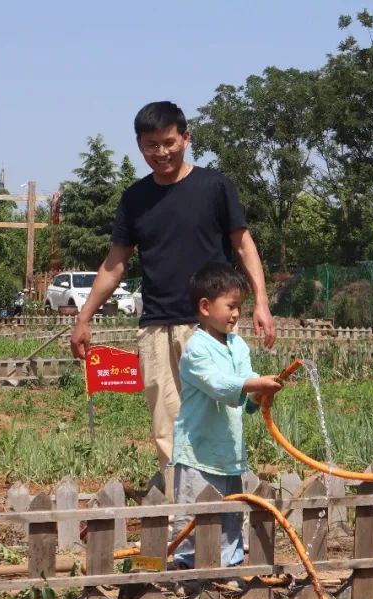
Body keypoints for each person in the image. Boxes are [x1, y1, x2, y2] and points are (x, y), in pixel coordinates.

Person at [68, 101, 276, 499]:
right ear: (139, 146)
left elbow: (243, 245)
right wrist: (84, 317)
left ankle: (222, 496)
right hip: (157, 324)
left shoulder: (215, 187)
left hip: (208, 327)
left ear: (185, 138)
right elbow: (115, 263)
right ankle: (184, 510)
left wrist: (261, 303)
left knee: (219, 415)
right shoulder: (135, 198)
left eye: (169, 142)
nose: (161, 153)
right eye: (151, 145)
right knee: (167, 425)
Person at [170, 262, 283, 568]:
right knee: (194, 519)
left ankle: (228, 567)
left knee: (230, 517)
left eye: (240, 307)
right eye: (230, 306)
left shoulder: (238, 345)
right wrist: (255, 384)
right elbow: (219, 386)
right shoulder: (196, 349)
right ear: (205, 307)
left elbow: (245, 385)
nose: (236, 314)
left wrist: (260, 394)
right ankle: (187, 572)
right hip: (197, 453)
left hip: (229, 452)